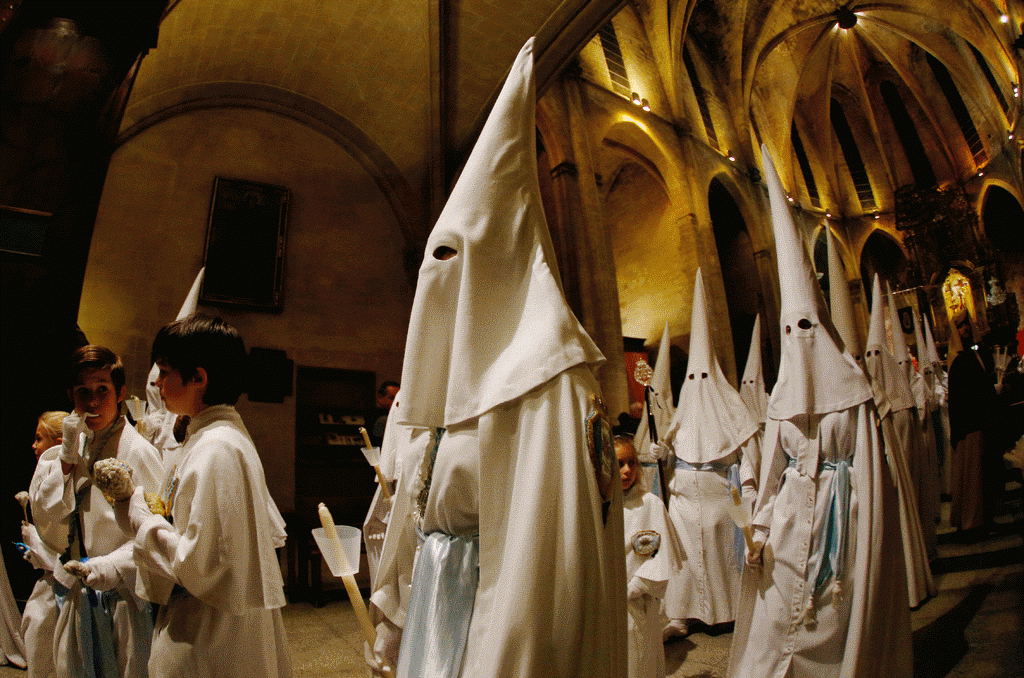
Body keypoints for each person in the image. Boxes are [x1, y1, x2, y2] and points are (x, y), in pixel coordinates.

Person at [366, 38, 626, 678]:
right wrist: (393, 621)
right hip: (434, 606)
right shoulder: (447, 389)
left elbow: (540, 577)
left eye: (451, 258)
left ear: (495, 265)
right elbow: (413, 517)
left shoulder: (543, 380)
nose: (435, 280)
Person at [727, 147, 911, 678]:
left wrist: (862, 525)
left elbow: (873, 480)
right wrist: (758, 530)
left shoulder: (852, 395)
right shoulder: (783, 405)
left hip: (843, 516)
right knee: (778, 616)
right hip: (788, 522)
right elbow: (770, 478)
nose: (799, 341)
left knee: (831, 614)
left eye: (807, 328)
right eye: (792, 331)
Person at [110, 314, 291, 677]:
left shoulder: (216, 449)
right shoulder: (212, 437)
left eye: (164, 371)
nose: (158, 383)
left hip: (208, 628)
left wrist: (141, 517)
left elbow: (202, 565)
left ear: (198, 378)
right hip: (206, 617)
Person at [30, 346, 163, 678]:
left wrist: (112, 565)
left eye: (102, 390)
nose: (92, 402)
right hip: (79, 595)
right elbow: (48, 522)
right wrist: (64, 460)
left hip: (123, 601)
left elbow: (158, 533)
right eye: (82, 392)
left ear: (119, 393)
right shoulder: (75, 447)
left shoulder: (139, 452)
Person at [661, 269, 760, 638]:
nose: (697, 385)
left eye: (703, 377)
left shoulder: (732, 407)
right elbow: (670, 453)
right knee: (685, 561)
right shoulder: (684, 407)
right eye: (692, 378)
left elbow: (747, 460)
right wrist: (662, 452)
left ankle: (733, 610)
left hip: (723, 498)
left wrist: (747, 502)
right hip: (684, 503)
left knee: (723, 556)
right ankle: (681, 615)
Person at [617, 435, 678, 678]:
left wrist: (632, 589)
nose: (627, 470)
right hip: (605, 603)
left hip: (636, 602)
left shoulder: (649, 504)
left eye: (632, 463)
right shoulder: (597, 505)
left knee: (639, 662)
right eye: (620, 463)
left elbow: (660, 558)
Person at [20, 410, 71, 678]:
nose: (34, 445)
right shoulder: (47, 476)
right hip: (48, 583)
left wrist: (37, 544)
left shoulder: (63, 484)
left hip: (61, 586)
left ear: (59, 441)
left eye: (39, 438)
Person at [370, 380, 399, 447]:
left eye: (398, 398)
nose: (396, 401)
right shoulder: (380, 418)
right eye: (392, 398)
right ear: (380, 398)